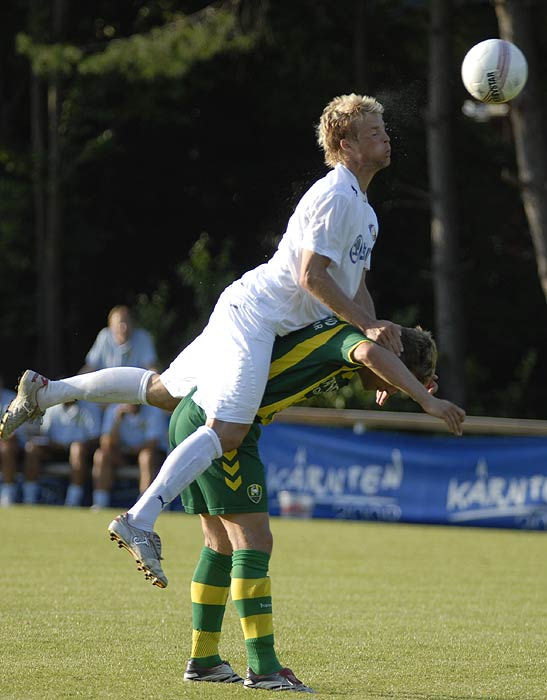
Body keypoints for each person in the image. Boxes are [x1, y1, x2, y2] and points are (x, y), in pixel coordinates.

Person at [3, 93, 427, 573]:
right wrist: (366, 326)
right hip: (256, 317)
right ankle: (140, 517)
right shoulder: (334, 194)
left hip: (247, 308)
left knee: (161, 391)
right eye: (374, 132)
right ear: (345, 142)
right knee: (227, 432)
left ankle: (47, 391)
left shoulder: (365, 212)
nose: (387, 137)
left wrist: (377, 343)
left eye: (385, 129)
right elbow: (312, 276)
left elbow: (359, 291)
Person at [162, 318, 464, 691]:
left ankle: (204, 659)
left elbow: (373, 358)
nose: (396, 387)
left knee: (219, 545)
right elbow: (370, 352)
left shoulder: (350, 343)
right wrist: (427, 400)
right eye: (400, 379)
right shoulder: (355, 340)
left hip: (197, 414)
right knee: (254, 543)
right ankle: (264, 668)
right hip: (223, 423)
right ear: (394, 358)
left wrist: (400, 381)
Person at [24, 400, 103, 507]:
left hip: (83, 453)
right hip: (54, 450)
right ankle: (29, 499)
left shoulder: (91, 407)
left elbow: (95, 438)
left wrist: (74, 444)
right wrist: (53, 444)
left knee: (77, 449)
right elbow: (44, 434)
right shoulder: (51, 407)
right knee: (32, 449)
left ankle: (72, 501)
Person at [92, 403, 168, 509]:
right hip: (123, 455)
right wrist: (117, 421)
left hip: (152, 454)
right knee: (101, 455)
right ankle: (100, 503)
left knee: (146, 456)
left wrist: (130, 450)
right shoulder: (113, 410)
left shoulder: (154, 411)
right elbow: (106, 444)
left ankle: (144, 505)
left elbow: (152, 444)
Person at [79, 305, 158, 373]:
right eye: (120, 323)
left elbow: (151, 367)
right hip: (108, 387)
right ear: (111, 326)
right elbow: (90, 366)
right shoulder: (104, 336)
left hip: (135, 387)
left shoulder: (143, 338)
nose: (124, 328)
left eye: (127, 322)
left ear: (133, 323)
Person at [0, 377, 20, 506]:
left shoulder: (12, 399)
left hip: (14, 444)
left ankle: (7, 492)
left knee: (6, 447)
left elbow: (12, 433)